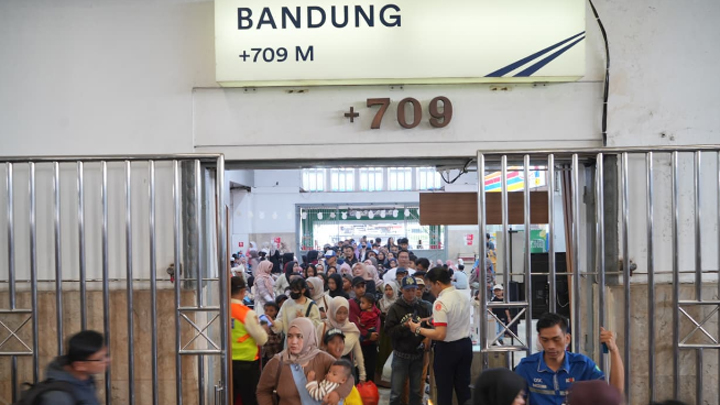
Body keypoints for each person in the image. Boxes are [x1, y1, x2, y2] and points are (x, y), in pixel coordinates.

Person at [513, 313, 625, 405]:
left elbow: (614, 393)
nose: (550, 346)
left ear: (567, 338)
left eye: (556, 339)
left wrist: (614, 350)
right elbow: (514, 400)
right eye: (545, 340)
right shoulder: (527, 366)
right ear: (539, 339)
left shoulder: (582, 365)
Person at [408, 267, 473, 405]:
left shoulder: (441, 301)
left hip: (448, 350)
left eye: (430, 286)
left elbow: (440, 334)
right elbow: (452, 318)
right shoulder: (463, 295)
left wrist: (417, 329)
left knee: (444, 391)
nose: (430, 290)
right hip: (466, 346)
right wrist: (427, 320)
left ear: (437, 283)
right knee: (464, 389)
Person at [257, 318, 354, 405]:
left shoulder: (323, 358)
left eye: (299, 336)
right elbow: (263, 391)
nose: (293, 341)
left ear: (309, 336)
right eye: (290, 336)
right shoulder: (278, 362)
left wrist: (337, 393)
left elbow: (348, 378)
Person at [385, 275, 432, 405]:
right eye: (407, 290)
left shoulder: (423, 306)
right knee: (396, 393)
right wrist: (404, 326)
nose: (411, 293)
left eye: (413, 290)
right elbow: (388, 331)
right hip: (400, 355)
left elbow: (430, 327)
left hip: (418, 355)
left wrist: (427, 338)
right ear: (401, 290)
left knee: (416, 392)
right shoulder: (395, 308)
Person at [35, 330, 109, 405]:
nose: (107, 360)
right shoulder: (58, 397)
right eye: (100, 359)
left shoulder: (86, 381)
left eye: (106, 355)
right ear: (80, 365)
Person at [230, 276, 268, 405]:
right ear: (242, 292)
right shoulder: (247, 313)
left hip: (227, 362)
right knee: (250, 399)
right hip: (247, 363)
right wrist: (263, 328)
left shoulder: (221, 310)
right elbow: (262, 339)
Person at [317, 296, 367, 382]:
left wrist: (362, 374)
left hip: (346, 370)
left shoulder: (351, 328)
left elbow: (358, 352)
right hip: (326, 368)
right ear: (333, 311)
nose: (342, 316)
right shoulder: (323, 326)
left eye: (345, 313)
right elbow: (315, 350)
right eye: (339, 313)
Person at [348, 276, 379, 382]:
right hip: (359, 342)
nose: (361, 289)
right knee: (358, 372)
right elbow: (354, 322)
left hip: (371, 342)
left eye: (363, 286)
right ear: (352, 288)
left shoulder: (369, 300)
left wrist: (375, 333)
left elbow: (377, 318)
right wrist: (368, 334)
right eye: (358, 287)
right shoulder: (351, 303)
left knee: (370, 371)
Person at [323, 329, 365, 405]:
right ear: (325, 345)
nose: (338, 346)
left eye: (340, 342)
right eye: (333, 342)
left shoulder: (345, 366)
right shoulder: (321, 364)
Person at [260, 302, 284, 367]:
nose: (268, 312)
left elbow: (279, 338)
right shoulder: (262, 322)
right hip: (264, 351)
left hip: (274, 350)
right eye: (266, 310)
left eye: (271, 310)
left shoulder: (277, 323)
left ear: (276, 312)